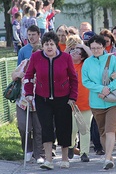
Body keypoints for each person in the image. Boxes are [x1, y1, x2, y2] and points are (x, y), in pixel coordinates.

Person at [24, 31, 78, 170]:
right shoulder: (36, 57)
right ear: (42, 46)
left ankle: (65, 159)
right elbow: (29, 76)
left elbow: (73, 78)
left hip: (63, 98)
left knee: (64, 127)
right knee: (46, 128)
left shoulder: (65, 57)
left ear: (56, 46)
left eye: (51, 44)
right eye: (46, 44)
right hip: (43, 98)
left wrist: (73, 97)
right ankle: (48, 160)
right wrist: (29, 93)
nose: (49, 47)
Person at [82, 35, 116, 170]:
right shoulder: (87, 63)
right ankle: (109, 155)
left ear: (103, 47)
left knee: (110, 129)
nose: (96, 50)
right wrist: (101, 89)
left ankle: (107, 158)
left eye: (98, 48)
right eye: (93, 48)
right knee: (102, 132)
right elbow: (86, 81)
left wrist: (108, 89)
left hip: (114, 101)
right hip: (97, 102)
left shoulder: (112, 59)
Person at [12, 44, 44, 164]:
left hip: (39, 102)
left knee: (38, 128)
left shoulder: (46, 65)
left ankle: (39, 154)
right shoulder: (26, 63)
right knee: (23, 126)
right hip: (23, 102)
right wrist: (18, 75)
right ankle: (27, 150)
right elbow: (13, 75)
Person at [69, 44, 92, 162]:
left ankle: (84, 153)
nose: (73, 53)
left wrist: (82, 45)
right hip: (70, 103)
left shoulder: (85, 65)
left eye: (77, 52)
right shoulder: (67, 65)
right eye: (73, 51)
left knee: (84, 129)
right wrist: (71, 48)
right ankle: (70, 146)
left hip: (85, 103)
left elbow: (92, 56)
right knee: (72, 129)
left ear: (82, 57)